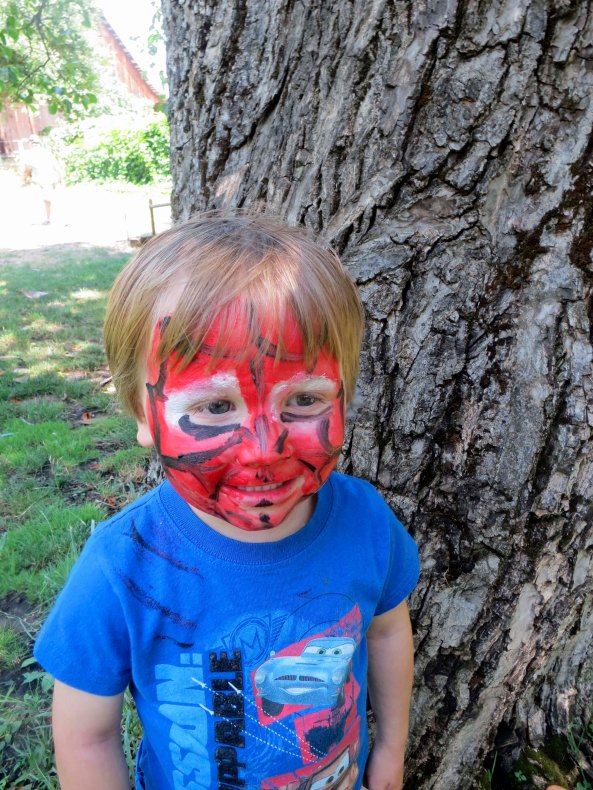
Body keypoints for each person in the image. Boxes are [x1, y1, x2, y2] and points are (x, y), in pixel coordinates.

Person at [34, 212, 420, 790]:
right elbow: (87, 734)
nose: (264, 450)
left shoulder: (365, 523)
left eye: (304, 400)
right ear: (145, 416)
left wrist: (390, 749)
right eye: (215, 408)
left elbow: (387, 633)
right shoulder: (123, 568)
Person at [21, 134, 62, 224]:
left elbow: (26, 169)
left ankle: (48, 219)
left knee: (46, 198)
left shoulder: (30, 154)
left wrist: (23, 181)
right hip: (53, 177)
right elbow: (56, 166)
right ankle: (51, 217)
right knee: (50, 197)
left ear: (30, 143)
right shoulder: (46, 152)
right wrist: (61, 177)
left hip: (42, 179)